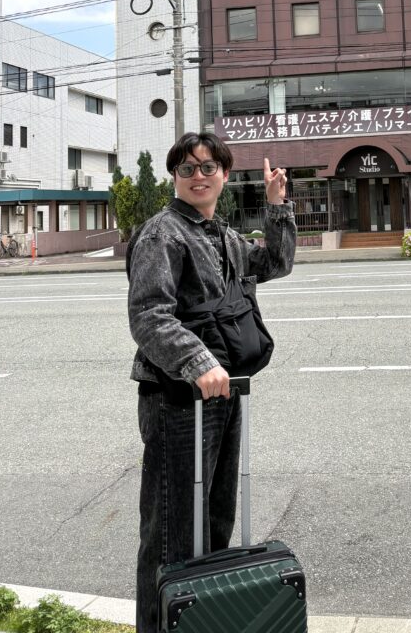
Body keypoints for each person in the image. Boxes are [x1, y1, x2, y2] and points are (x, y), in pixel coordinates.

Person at [127, 132, 296, 633]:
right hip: (178, 397)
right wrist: (197, 361)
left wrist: (276, 206)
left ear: (224, 173)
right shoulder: (163, 234)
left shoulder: (219, 234)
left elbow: (275, 263)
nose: (198, 176)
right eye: (187, 169)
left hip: (226, 391)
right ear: (174, 176)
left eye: (208, 167)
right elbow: (148, 315)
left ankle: (203, 620)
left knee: (216, 519)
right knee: (172, 534)